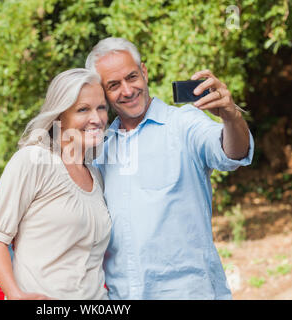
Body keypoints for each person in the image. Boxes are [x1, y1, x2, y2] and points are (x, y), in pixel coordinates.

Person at [86, 37, 254, 299]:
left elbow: (232, 153)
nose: (128, 90)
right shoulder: (99, 150)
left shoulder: (184, 123)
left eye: (132, 77)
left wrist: (231, 116)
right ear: (101, 93)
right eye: (114, 85)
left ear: (145, 71)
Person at [0, 68, 112, 300]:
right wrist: (14, 294)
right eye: (83, 109)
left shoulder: (95, 174)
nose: (97, 118)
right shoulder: (33, 161)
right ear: (59, 118)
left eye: (101, 107)